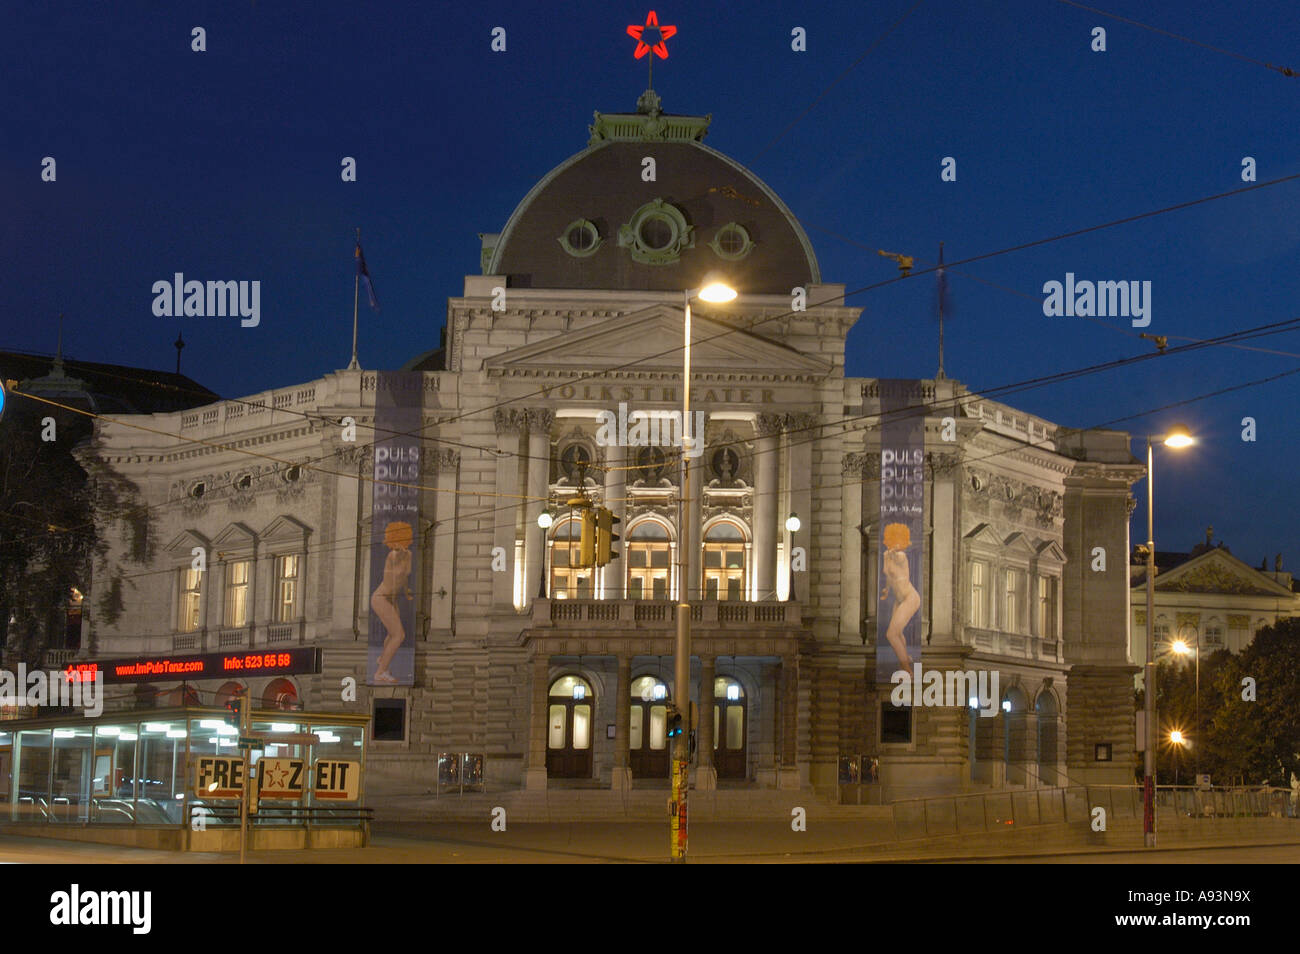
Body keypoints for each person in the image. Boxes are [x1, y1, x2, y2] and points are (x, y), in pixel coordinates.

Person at [371, 520, 413, 684]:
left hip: (392, 598)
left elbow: (404, 578)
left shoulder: (408, 555)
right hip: (381, 598)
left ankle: (383, 659)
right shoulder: (392, 556)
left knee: (392, 633)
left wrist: (407, 591)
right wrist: (396, 553)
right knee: (399, 635)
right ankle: (380, 673)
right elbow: (390, 578)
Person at [880, 522, 921, 675]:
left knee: (891, 634)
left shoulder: (901, 556)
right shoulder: (886, 555)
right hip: (899, 599)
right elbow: (889, 576)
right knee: (897, 632)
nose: (896, 544)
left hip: (910, 597)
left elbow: (897, 558)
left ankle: (907, 670)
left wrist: (894, 551)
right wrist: (886, 589)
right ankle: (905, 659)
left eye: (899, 540)